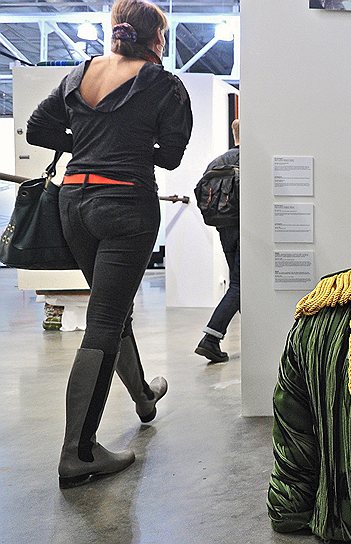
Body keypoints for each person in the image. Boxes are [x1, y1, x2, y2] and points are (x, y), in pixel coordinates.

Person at [26, 0, 192, 488]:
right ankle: (78, 453)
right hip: (125, 205)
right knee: (104, 321)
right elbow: (172, 156)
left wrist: (88, 142)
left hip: (74, 202)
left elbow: (37, 129)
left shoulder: (80, 74)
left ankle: (143, 396)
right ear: (156, 38)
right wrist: (126, 144)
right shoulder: (163, 83)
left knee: (110, 310)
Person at [195, 119, 241, 363]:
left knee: (239, 284)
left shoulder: (217, 162)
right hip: (246, 229)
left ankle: (253, 335)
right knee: (240, 285)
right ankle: (211, 338)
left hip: (224, 228)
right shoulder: (249, 160)